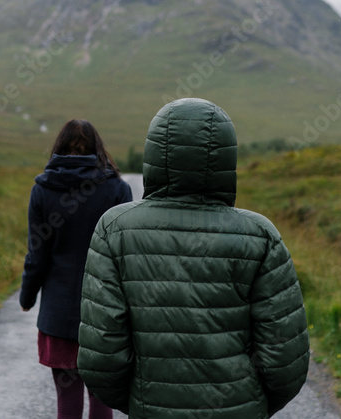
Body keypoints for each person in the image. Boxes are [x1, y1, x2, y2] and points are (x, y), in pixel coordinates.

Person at [78, 98, 310, 418]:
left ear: (156, 153)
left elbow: (102, 356)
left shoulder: (114, 229)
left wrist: (139, 403)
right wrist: (251, 404)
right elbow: (285, 359)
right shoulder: (260, 235)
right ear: (226, 157)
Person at [20, 119, 133, 419]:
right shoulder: (117, 190)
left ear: (58, 147)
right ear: (99, 148)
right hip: (105, 312)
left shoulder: (43, 190)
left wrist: (27, 297)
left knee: (67, 398)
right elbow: (125, 257)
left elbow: (37, 255)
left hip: (58, 315)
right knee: (101, 397)